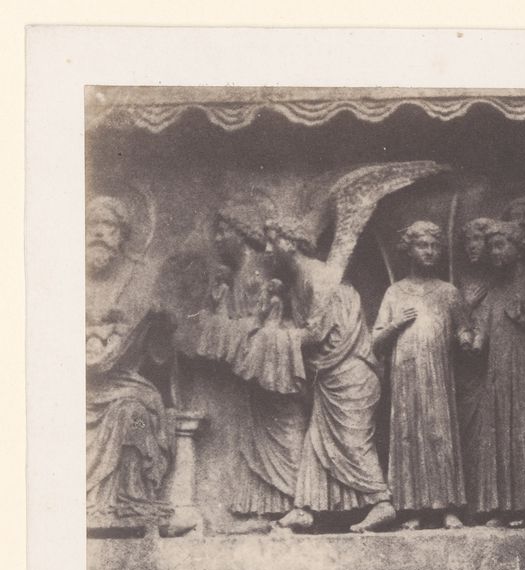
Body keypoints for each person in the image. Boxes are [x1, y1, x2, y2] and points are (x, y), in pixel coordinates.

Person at [257, 216, 394, 532]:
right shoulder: (302, 280)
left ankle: (381, 501)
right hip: (331, 375)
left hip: (351, 372)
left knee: (353, 439)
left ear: (290, 243)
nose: (267, 249)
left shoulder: (317, 278)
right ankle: (305, 508)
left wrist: (277, 337)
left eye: (272, 240)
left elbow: (317, 333)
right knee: (317, 440)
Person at [179, 202, 309, 529]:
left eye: (224, 232)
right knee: (254, 440)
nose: (219, 239)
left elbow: (262, 319)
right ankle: (262, 512)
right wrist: (218, 305)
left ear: (243, 233)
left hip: (274, 365)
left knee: (285, 428)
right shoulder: (236, 276)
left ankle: (300, 504)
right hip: (254, 370)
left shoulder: (258, 273)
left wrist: (221, 327)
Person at [85, 196, 185, 532]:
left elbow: (158, 355)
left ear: (123, 236)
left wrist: (160, 324)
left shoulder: (138, 281)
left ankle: (127, 501)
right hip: (75, 382)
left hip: (123, 383)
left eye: (108, 227)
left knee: (135, 415)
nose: (99, 234)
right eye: (92, 226)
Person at [371, 219, 473, 527]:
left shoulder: (448, 292)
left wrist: (466, 338)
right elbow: (375, 341)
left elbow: (464, 328)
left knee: (440, 434)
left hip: (439, 375)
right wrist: (395, 324)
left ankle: (448, 506)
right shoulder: (395, 292)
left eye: (434, 247)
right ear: (409, 250)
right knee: (408, 436)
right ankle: (411, 507)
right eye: (422, 246)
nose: (429, 252)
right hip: (405, 377)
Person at [462, 221, 525, 526]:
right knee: (498, 437)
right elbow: (480, 337)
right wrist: (469, 332)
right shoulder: (493, 290)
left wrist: (523, 320)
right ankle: (501, 508)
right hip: (498, 374)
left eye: (501, 245)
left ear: (518, 246)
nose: (495, 253)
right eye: (491, 248)